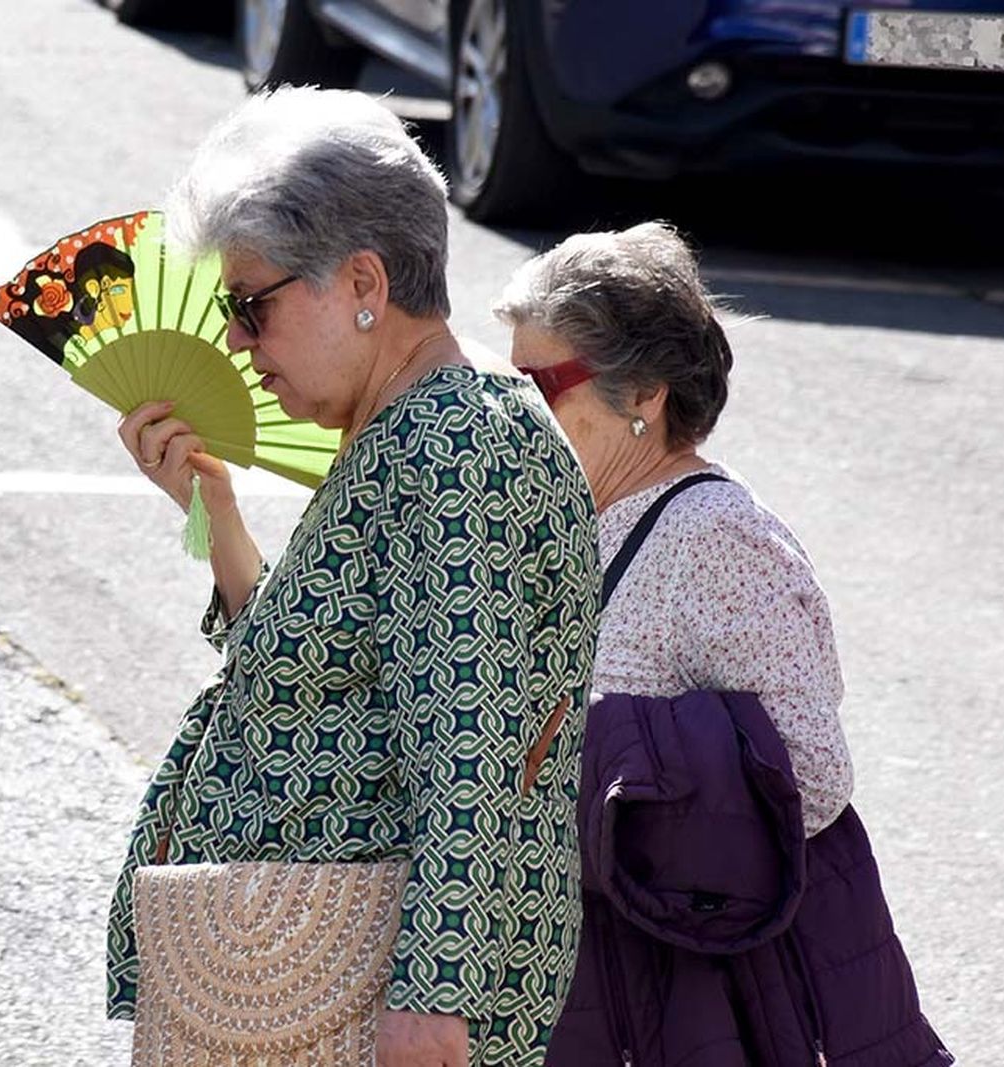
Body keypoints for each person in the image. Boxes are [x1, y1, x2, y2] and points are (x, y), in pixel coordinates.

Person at [104, 87, 600, 1067]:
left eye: (251, 306)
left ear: (362, 281)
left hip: (360, 991)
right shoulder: (409, 425)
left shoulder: (453, 448)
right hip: (299, 971)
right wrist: (215, 514)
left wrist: (431, 1004)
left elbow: (471, 747)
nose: (238, 346)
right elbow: (301, 672)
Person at [496, 223, 950, 1066]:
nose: (515, 413)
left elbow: (811, 776)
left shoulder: (718, 538)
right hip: (606, 978)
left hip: (702, 993)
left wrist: (595, 764)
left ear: (643, 396)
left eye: (539, 384)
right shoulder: (575, 519)